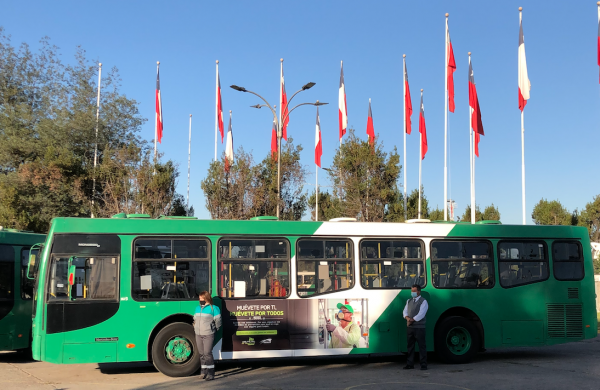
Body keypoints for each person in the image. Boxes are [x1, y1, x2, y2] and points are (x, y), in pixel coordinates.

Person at [193, 291, 222, 380]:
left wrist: (214, 329)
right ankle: (203, 372)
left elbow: (218, 322)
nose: (200, 300)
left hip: (208, 334)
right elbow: (194, 319)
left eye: (202, 298)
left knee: (207, 353)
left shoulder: (214, 309)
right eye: (199, 298)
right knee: (201, 354)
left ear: (207, 298)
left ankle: (211, 373)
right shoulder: (198, 308)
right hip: (198, 334)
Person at [403, 284, 428, 370]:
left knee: (422, 346)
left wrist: (411, 320)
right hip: (410, 328)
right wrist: (407, 318)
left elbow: (421, 314)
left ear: (419, 291)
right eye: (412, 291)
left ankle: (423, 364)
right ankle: (410, 364)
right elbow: (405, 311)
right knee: (410, 346)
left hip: (419, 327)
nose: (412, 293)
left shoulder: (423, 301)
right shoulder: (408, 301)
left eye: (414, 291)